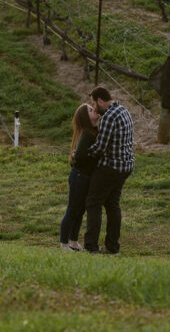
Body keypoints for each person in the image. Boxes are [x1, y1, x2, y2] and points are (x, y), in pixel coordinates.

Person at [82, 86, 134, 254]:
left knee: (93, 202)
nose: (95, 109)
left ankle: (91, 247)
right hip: (125, 166)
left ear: (100, 101)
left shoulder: (108, 117)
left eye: (94, 104)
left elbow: (100, 147)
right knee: (112, 205)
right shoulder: (124, 111)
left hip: (111, 166)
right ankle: (112, 247)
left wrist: (82, 153)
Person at [59, 102, 99, 251]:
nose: (94, 110)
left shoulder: (94, 131)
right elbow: (80, 156)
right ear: (85, 117)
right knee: (72, 209)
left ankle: (74, 241)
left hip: (85, 176)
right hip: (79, 176)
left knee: (80, 210)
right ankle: (63, 243)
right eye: (90, 110)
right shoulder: (87, 134)